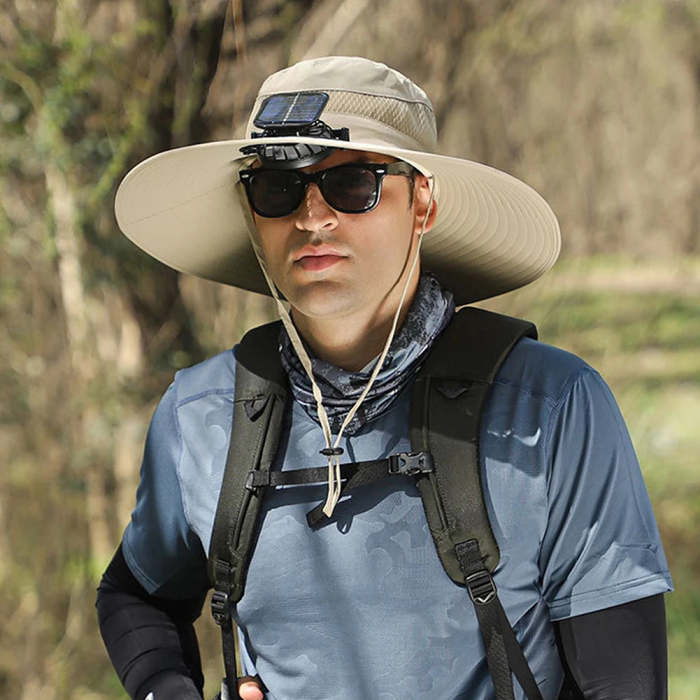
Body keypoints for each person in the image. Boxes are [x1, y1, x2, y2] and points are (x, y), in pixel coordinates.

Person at [97, 56, 673, 700]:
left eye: (350, 184)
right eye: (277, 189)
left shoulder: (551, 404)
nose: (312, 217)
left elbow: (625, 681)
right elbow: (135, 594)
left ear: (421, 201)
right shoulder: (200, 414)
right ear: (251, 214)